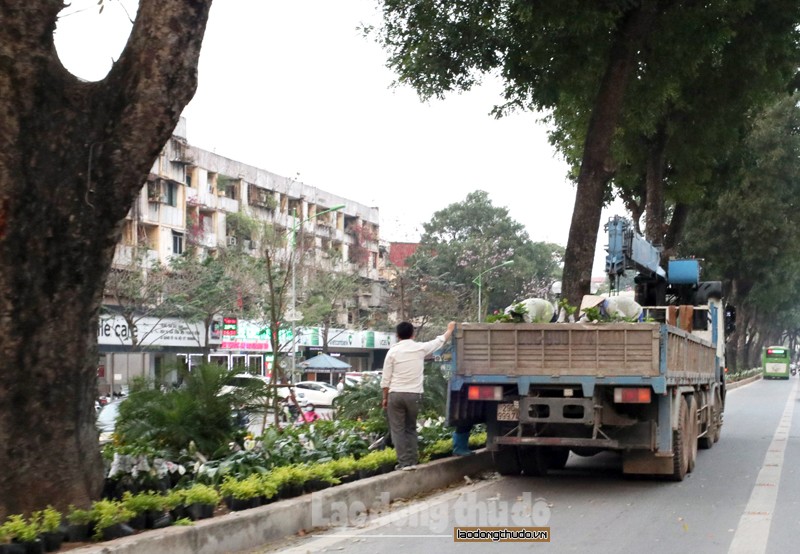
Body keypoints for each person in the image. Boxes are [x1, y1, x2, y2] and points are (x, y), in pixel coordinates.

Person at [381, 320, 456, 471]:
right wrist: (450, 329)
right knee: (410, 428)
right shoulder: (420, 348)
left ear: (397, 335)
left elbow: (385, 380)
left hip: (395, 394)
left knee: (398, 430)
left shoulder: (392, 352)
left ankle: (404, 463)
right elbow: (439, 341)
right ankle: (413, 461)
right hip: (414, 396)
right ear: (413, 334)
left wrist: (385, 398)